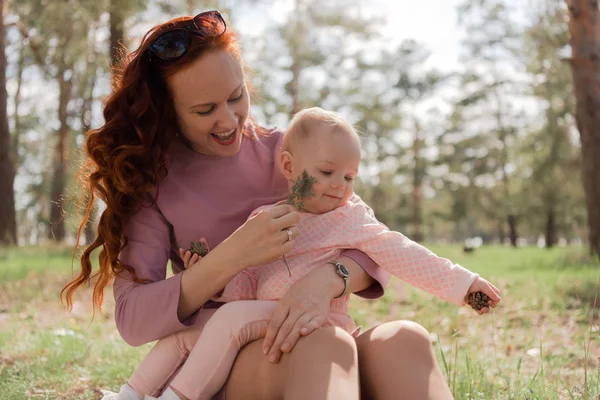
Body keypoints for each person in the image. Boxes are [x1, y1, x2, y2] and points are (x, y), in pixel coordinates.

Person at [61, 11, 475, 400]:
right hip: (232, 354)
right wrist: (228, 259)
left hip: (326, 329)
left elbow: (373, 243)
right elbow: (134, 320)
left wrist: (329, 280)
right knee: (323, 345)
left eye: (236, 97)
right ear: (169, 112)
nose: (228, 121)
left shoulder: (292, 154)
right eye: (205, 110)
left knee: (404, 338)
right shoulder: (153, 187)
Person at [105, 107, 501, 400]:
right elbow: (248, 283)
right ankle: (133, 394)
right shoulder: (267, 217)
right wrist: (213, 272)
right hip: (266, 331)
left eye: (349, 177)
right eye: (327, 173)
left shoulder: (350, 217)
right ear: (290, 167)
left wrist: (464, 285)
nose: (339, 187)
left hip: (321, 324)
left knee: (407, 335)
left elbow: (401, 252)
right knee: (188, 334)